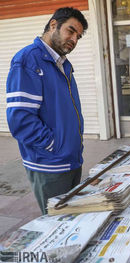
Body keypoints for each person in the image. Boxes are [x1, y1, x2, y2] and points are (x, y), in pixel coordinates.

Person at [6, 7, 88, 214]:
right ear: (53, 25)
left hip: (71, 160)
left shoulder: (63, 64)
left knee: (74, 221)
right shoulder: (28, 60)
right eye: (70, 31)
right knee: (58, 224)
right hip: (50, 165)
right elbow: (20, 120)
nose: (74, 39)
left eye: (78, 36)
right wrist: (54, 146)